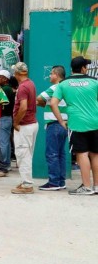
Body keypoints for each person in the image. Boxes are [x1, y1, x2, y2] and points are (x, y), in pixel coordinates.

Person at [50, 56, 98, 195]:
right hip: (95, 122)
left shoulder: (64, 84)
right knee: (95, 154)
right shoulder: (94, 82)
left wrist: (60, 121)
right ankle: (96, 186)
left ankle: (86, 187)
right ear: (83, 68)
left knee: (82, 154)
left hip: (77, 123)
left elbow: (53, 103)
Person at [36, 65, 68, 191]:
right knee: (61, 153)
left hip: (54, 123)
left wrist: (45, 103)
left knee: (52, 154)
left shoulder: (55, 87)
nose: (49, 76)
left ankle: (53, 182)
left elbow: (39, 98)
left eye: (51, 74)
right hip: (65, 123)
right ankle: (61, 181)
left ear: (56, 74)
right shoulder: (66, 87)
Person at [11, 62, 38, 194]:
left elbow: (23, 107)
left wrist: (16, 122)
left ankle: (27, 184)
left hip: (24, 125)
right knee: (27, 154)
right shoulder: (30, 83)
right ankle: (25, 181)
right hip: (31, 123)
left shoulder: (22, 87)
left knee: (23, 155)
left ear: (17, 73)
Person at [0, 70, 15, 169]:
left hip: (3, 118)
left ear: (5, 79)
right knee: (5, 142)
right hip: (7, 118)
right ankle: (6, 164)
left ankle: (1, 165)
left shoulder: (5, 89)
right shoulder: (7, 89)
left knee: (2, 142)